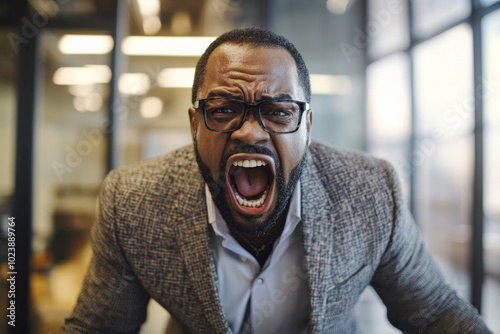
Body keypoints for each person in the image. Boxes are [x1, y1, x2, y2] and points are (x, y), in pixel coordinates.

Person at [61, 28, 492, 334]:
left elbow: (435, 314)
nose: (250, 132)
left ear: (307, 125)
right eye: (224, 109)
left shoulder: (371, 192)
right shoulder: (134, 202)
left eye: (278, 111)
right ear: (195, 123)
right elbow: (99, 327)